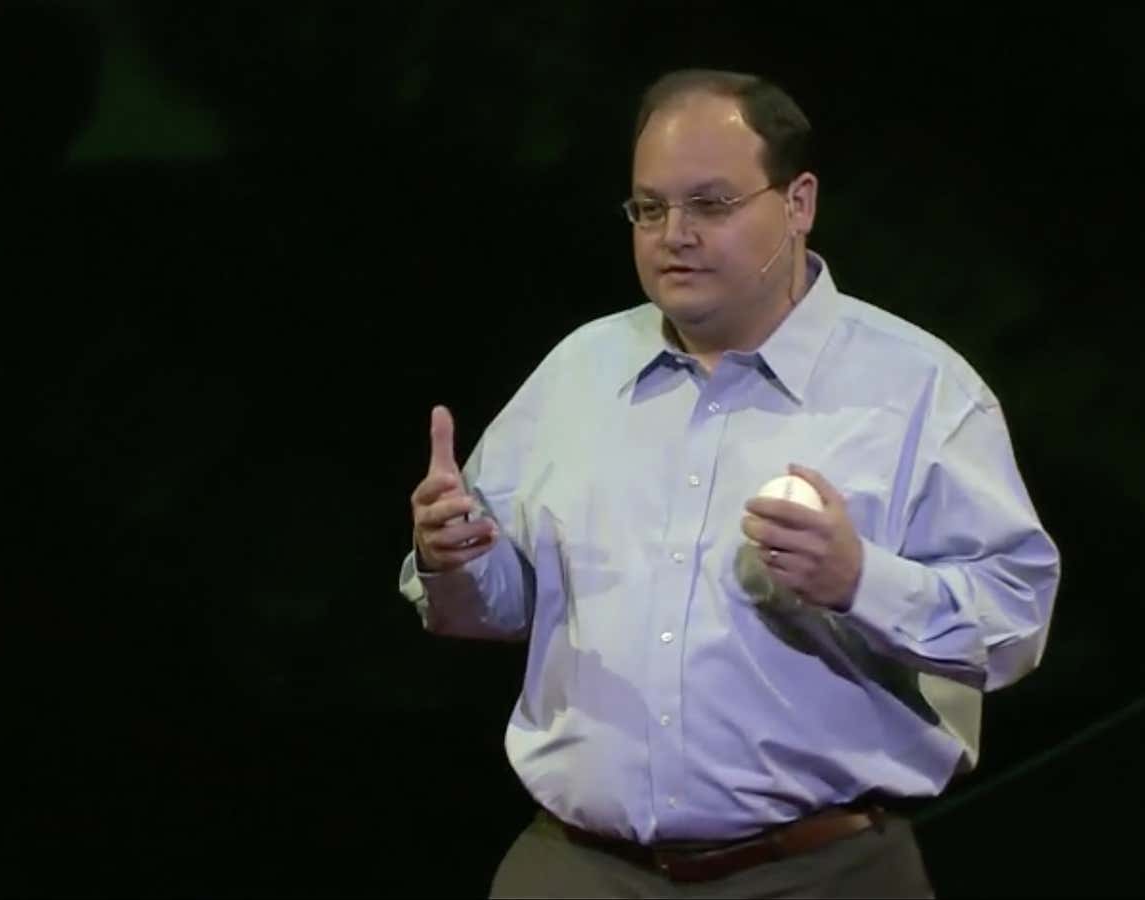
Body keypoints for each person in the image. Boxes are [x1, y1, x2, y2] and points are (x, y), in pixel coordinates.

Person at [398, 68, 1060, 898]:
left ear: (799, 202)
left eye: (710, 205)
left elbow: (1017, 624)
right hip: (576, 867)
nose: (674, 234)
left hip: (822, 873)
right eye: (649, 208)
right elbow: (493, 607)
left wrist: (862, 582)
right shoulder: (577, 373)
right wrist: (453, 559)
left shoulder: (921, 391)